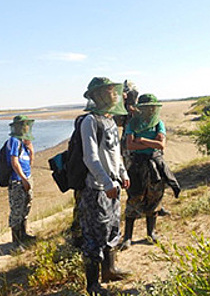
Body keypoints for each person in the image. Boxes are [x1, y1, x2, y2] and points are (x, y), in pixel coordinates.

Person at [79, 77, 131, 295]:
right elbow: (90, 158)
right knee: (94, 236)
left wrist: (122, 173)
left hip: (113, 187)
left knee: (112, 229)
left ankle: (109, 270)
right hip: (97, 189)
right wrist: (107, 181)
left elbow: (115, 154)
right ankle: (92, 286)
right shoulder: (90, 121)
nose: (116, 95)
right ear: (99, 95)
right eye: (111, 91)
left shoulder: (110, 121)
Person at [119, 94, 181, 251]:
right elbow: (129, 145)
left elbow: (161, 145)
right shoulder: (133, 123)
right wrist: (149, 143)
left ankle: (150, 233)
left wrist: (143, 141)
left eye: (152, 107)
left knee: (155, 197)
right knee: (134, 197)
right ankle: (127, 237)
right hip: (137, 166)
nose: (151, 110)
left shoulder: (159, 123)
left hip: (155, 166)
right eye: (148, 107)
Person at [6, 115, 36, 250]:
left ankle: (24, 235)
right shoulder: (14, 141)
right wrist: (23, 179)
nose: (26, 128)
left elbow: (30, 163)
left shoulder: (23, 142)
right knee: (17, 211)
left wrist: (30, 149)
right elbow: (14, 162)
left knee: (26, 207)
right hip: (17, 181)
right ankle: (16, 242)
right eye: (23, 125)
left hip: (26, 178)